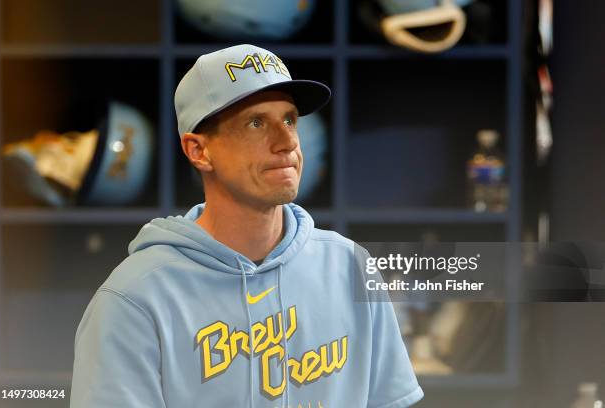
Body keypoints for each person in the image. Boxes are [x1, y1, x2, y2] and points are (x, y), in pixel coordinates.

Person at [70, 44, 423, 408]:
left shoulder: (351, 265)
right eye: (256, 123)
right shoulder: (135, 299)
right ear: (198, 151)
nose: (287, 143)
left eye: (289, 120)